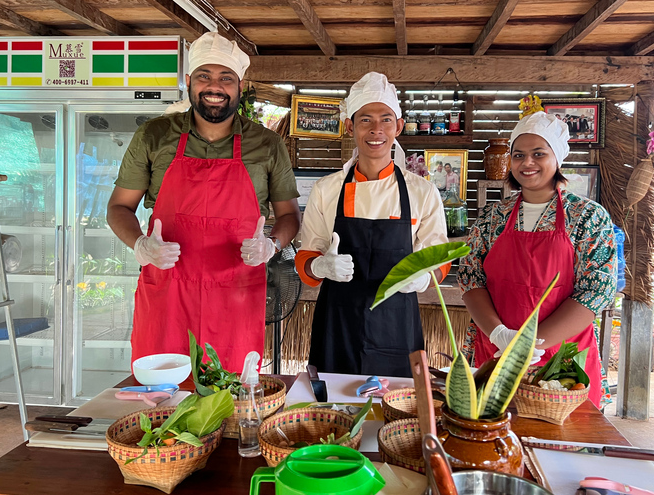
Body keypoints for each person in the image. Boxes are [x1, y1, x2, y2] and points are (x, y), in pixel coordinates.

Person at [107, 32, 301, 373]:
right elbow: (119, 207)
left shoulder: (267, 144)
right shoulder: (154, 135)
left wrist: (271, 245)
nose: (215, 86)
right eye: (204, 76)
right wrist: (140, 244)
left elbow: (289, 215)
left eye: (226, 78)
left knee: (230, 396)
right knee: (164, 401)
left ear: (240, 86)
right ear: (188, 82)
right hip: (168, 291)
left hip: (235, 295)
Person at [457, 111, 616, 408]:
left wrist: (531, 343)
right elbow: (470, 278)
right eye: (518, 155)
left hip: (560, 359)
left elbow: (596, 291)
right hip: (495, 349)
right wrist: (500, 334)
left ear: (557, 158)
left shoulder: (588, 217)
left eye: (538, 154)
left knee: (561, 446)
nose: (526, 163)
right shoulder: (494, 216)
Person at [295, 72, 449, 377]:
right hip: (337, 326)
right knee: (334, 412)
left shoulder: (422, 192)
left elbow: (438, 261)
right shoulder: (327, 190)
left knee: (396, 410)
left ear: (399, 126)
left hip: (397, 326)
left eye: (386, 119)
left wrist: (422, 278)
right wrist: (321, 267)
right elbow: (306, 259)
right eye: (365, 120)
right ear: (350, 126)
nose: (376, 130)